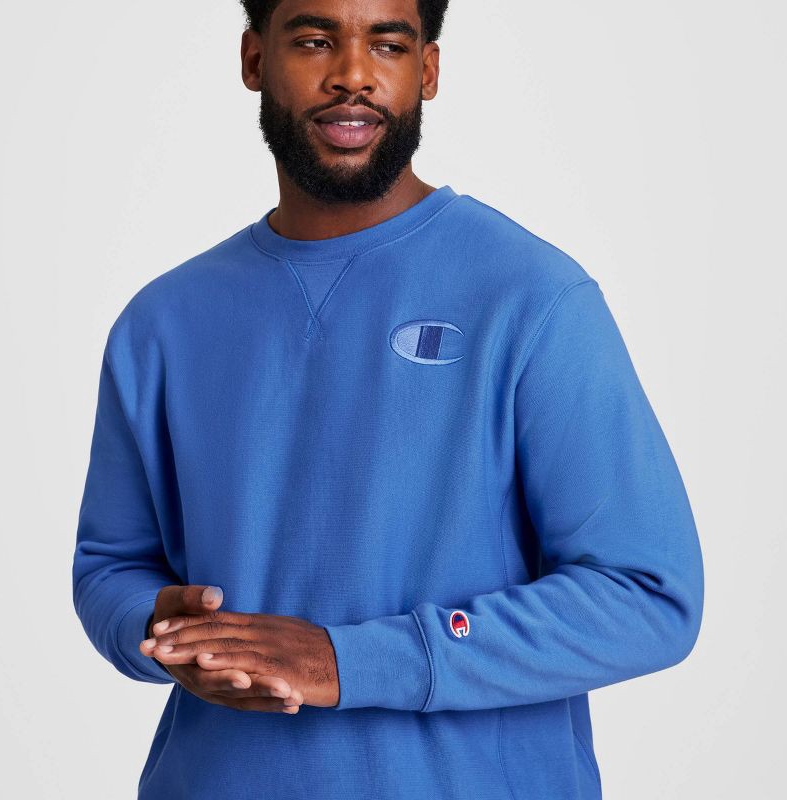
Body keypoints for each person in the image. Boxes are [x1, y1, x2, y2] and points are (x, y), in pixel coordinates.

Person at [71, 1, 704, 798]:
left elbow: (646, 595)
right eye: (314, 41)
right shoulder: (162, 322)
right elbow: (110, 566)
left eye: (388, 45)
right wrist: (161, 624)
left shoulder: (531, 297)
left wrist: (351, 661)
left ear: (427, 71)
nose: (353, 75)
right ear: (255, 60)